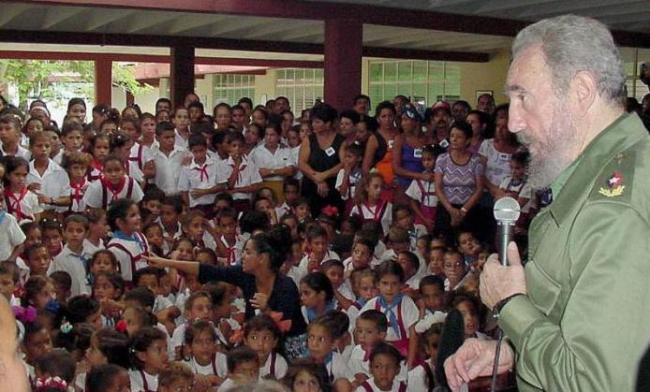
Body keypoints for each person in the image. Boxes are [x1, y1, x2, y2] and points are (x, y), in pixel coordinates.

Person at [444, 15, 650, 392]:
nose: (514, 122)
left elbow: (596, 382)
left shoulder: (616, 208)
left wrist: (510, 305)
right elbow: (572, 325)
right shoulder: (597, 177)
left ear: (582, 90)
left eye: (524, 96)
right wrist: (515, 350)